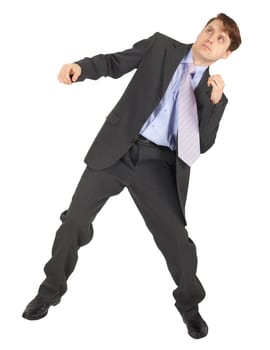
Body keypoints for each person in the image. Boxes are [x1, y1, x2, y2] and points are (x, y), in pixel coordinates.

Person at [22, 13, 241, 339]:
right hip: (118, 148)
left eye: (220, 38)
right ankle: (49, 292)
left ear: (226, 54)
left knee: (178, 244)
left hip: (158, 165)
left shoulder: (213, 93)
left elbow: (202, 144)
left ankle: (190, 306)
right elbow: (115, 62)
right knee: (75, 221)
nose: (210, 37)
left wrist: (213, 101)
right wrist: (81, 68)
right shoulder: (161, 47)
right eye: (209, 30)